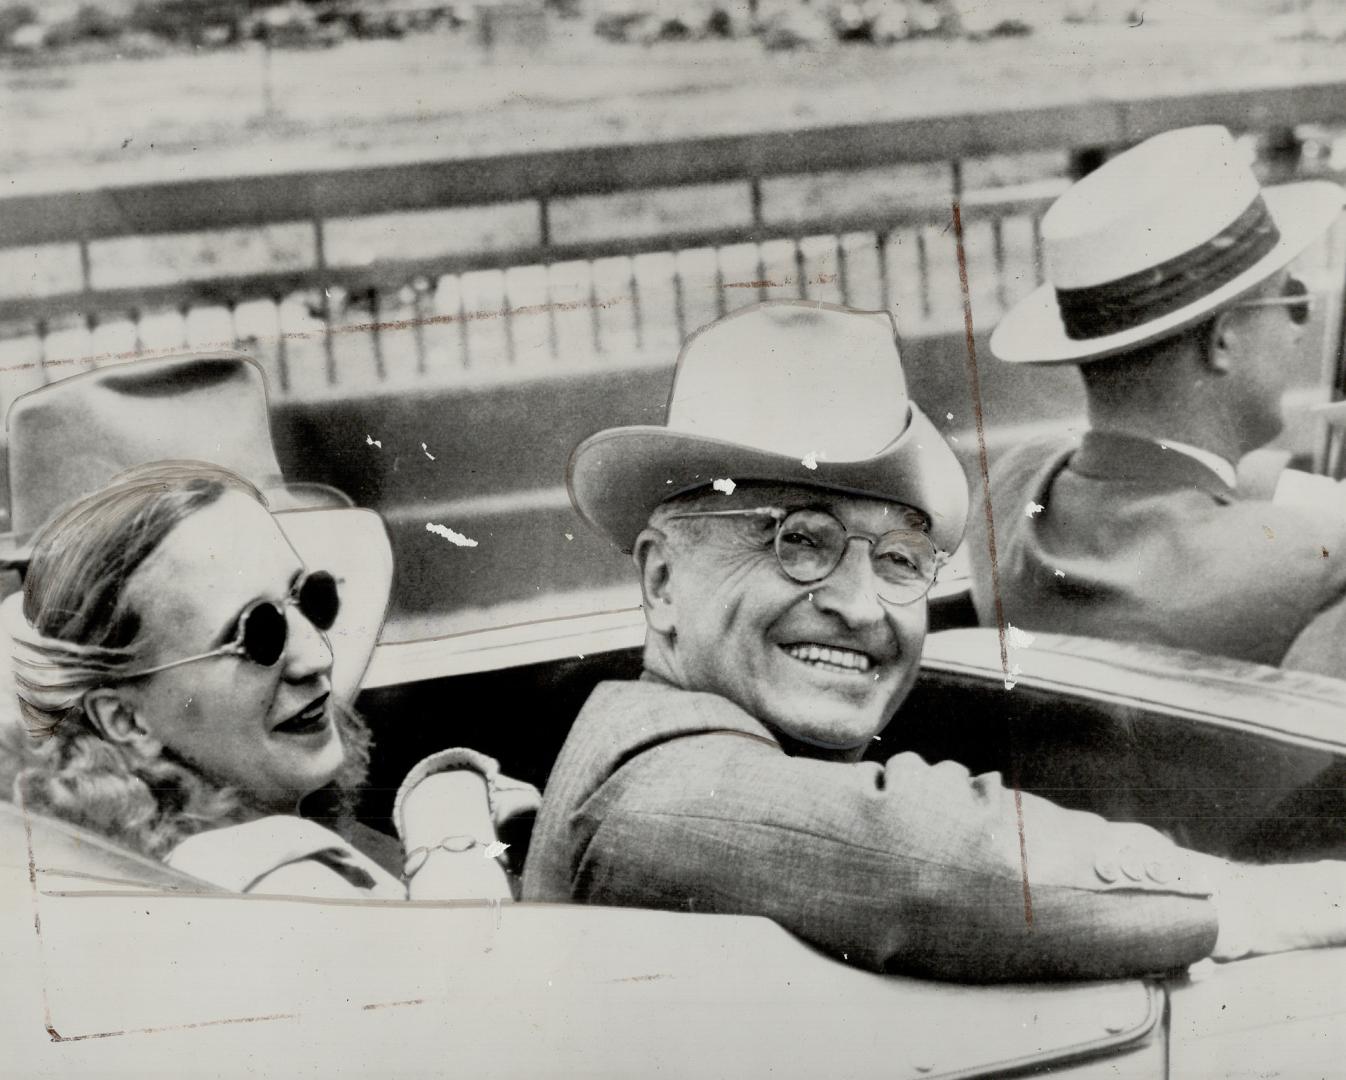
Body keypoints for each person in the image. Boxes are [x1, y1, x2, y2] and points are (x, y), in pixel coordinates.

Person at [522, 299, 1346, 981]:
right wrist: (1280, 902)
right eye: (798, 542)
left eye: (899, 560)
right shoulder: (656, 789)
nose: (860, 605)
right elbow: (928, 866)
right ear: (662, 581)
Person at [964, 125, 1346, 672]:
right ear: (1223, 340)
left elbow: (1130, 464)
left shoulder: (1008, 490)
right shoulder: (1308, 567)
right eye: (1292, 298)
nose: (1298, 327)